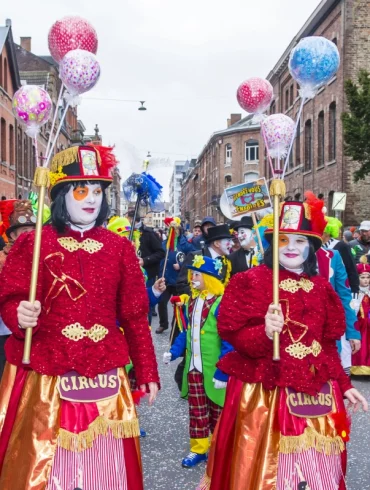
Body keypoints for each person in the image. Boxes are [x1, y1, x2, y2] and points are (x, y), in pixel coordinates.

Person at [0, 145, 159, 490]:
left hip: (106, 375)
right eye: (81, 189)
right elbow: (10, 298)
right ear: (61, 195)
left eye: (98, 190)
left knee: (106, 470)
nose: (92, 199)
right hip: (48, 375)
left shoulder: (120, 248)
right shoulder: (33, 244)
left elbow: (134, 315)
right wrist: (19, 314)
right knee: (48, 466)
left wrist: (147, 371)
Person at [197, 199, 367, 490]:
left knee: (314, 472)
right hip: (264, 395)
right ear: (273, 243)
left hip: (316, 395)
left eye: (299, 239)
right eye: (284, 239)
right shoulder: (248, 281)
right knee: (267, 471)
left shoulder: (322, 288)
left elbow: (326, 347)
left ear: (311, 245)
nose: (291, 246)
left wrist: (344, 383)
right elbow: (235, 338)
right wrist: (264, 332)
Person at [163, 256, 231, 468]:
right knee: (197, 411)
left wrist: (223, 371)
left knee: (218, 412)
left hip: (214, 370)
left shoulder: (221, 303)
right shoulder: (192, 302)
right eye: (192, 274)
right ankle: (199, 448)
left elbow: (229, 339)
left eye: (197, 274)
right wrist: (173, 352)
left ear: (209, 278)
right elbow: (186, 331)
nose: (192, 278)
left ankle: (221, 449)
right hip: (194, 368)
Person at [0, 200, 37, 379]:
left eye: (33, 231)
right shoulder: (3, 259)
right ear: (13, 235)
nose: (30, 236)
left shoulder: (45, 256)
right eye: (24, 232)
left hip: (35, 328)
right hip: (5, 330)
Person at [156, 217, 193, 334]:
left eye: (175, 229)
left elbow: (193, 258)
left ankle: (176, 325)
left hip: (178, 280)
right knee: (162, 302)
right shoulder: (164, 244)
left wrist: (182, 265)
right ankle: (163, 324)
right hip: (165, 278)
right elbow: (159, 257)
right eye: (171, 229)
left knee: (178, 304)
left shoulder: (184, 244)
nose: (173, 232)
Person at [176, 224, 233, 296]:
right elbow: (181, 284)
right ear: (217, 243)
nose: (232, 244)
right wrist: (199, 297)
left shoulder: (226, 262)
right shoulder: (195, 257)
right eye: (229, 241)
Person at [351, 262, 370, 376]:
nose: (366, 280)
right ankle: (356, 367)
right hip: (359, 325)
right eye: (362, 277)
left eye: (368, 277)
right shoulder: (354, 293)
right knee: (360, 345)